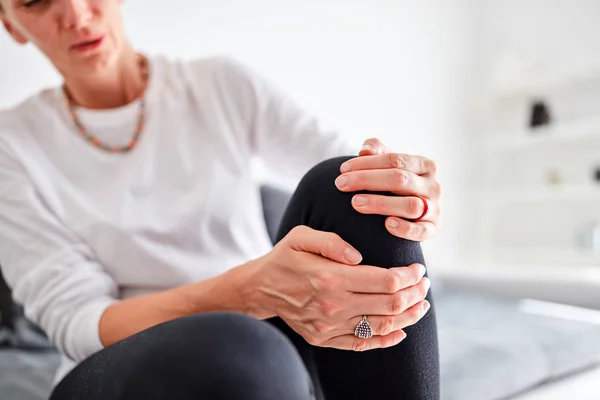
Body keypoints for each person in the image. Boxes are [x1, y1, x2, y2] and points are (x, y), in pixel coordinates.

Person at [0, 1, 442, 399]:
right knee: (243, 345)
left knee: (352, 186)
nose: (76, 14)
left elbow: (355, 166)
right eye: (36, 1)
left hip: (269, 340)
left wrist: (404, 188)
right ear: (11, 23)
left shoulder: (218, 85)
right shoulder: (13, 146)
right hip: (122, 362)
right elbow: (79, 325)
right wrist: (244, 294)